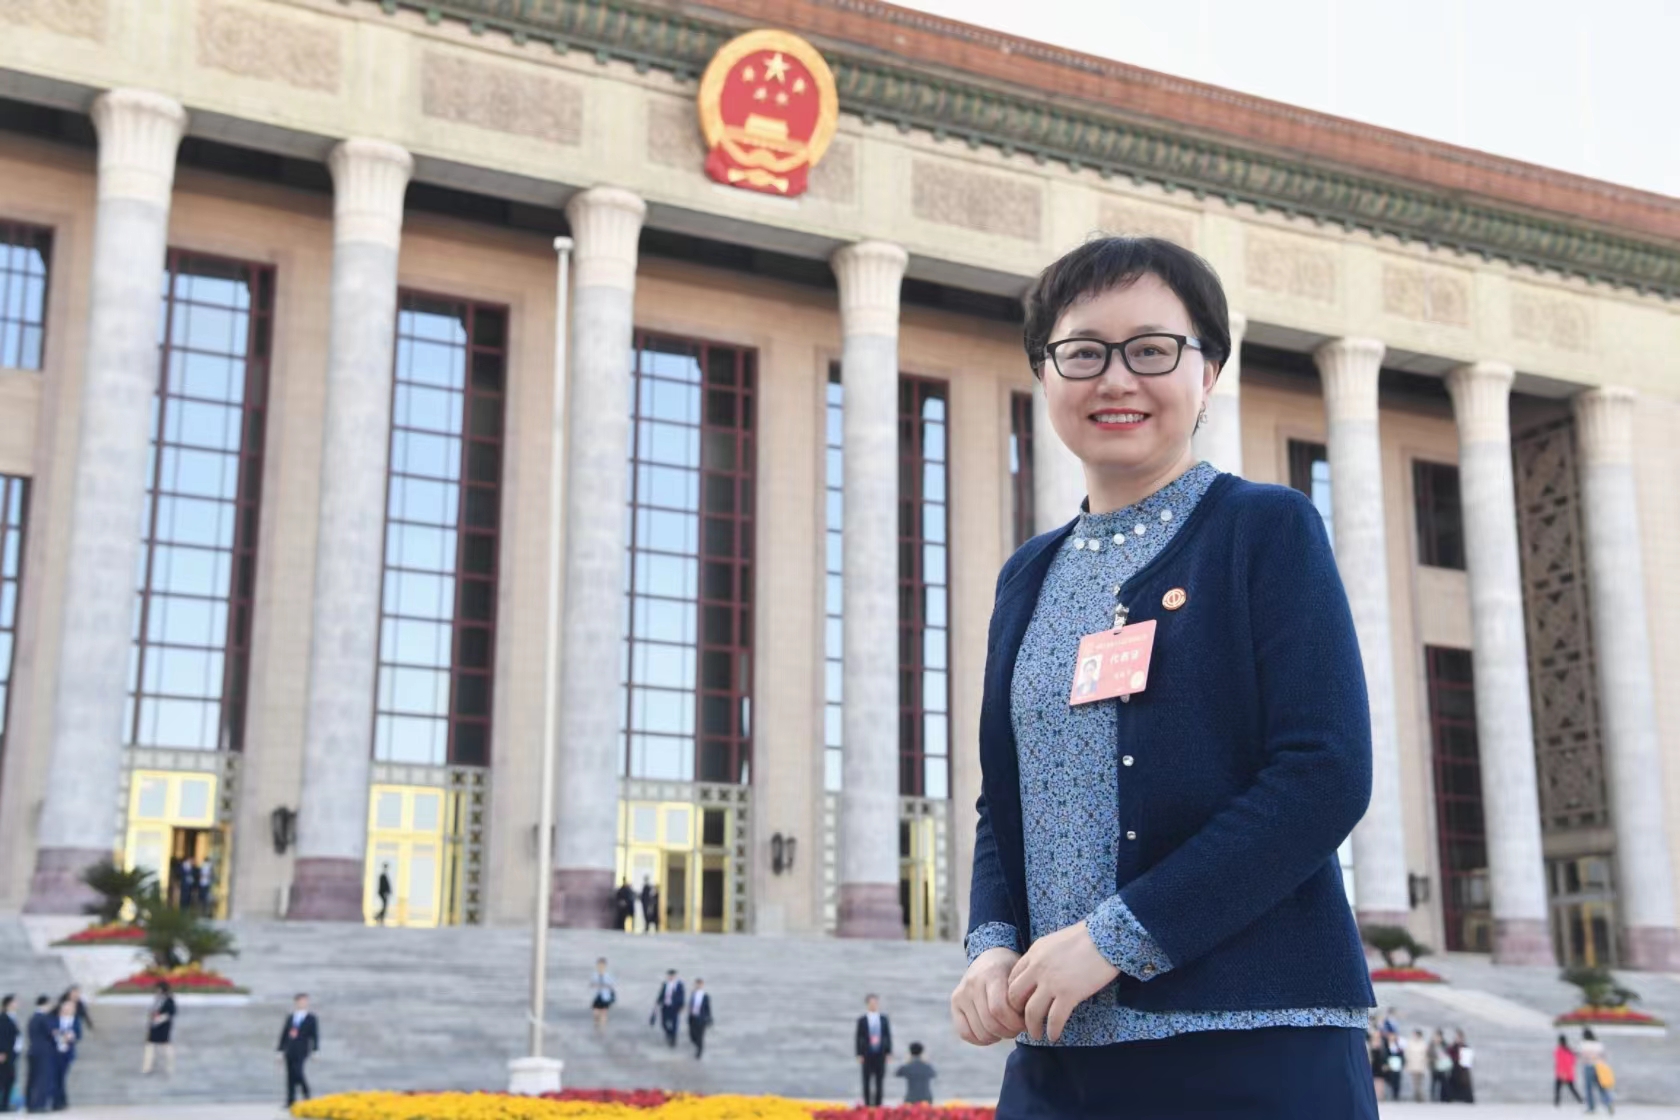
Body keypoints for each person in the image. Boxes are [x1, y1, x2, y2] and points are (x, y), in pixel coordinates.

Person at [949, 235, 1378, 1119]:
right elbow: (1006, 801)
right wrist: (991, 944)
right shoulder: (1028, 576)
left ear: (1208, 372)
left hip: (1249, 1044)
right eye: (1083, 353)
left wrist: (1118, 938)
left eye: (1151, 350)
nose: (1116, 380)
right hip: (1059, 1052)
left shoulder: (1265, 529)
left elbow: (1324, 774)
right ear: (1044, 373)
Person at [278, 993, 319, 1107]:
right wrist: (280, 1050)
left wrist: (315, 1050)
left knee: (298, 1072)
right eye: (300, 1001)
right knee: (290, 1075)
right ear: (296, 1002)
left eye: (305, 1001)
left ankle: (306, 1094)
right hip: (290, 1049)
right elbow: (284, 1034)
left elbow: (315, 1035)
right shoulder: (291, 1017)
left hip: (302, 1049)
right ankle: (290, 1100)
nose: (302, 1003)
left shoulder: (311, 1018)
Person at [855, 993, 892, 1107]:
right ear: (867, 1004)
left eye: (875, 1002)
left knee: (879, 1080)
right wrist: (859, 1054)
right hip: (867, 1053)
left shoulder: (884, 1019)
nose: (874, 1005)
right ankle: (867, 1104)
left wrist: (888, 1052)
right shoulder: (862, 1020)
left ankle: (878, 1104)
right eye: (871, 1003)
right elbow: (858, 1037)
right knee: (866, 1080)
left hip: (880, 1053)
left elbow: (887, 1036)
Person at [48, 997, 80, 1111]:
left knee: (61, 1077)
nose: (68, 1009)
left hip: (67, 1052)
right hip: (55, 1052)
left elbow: (78, 1035)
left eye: (70, 1007)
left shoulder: (75, 1021)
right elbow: (51, 1032)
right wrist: (58, 1034)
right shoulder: (55, 1019)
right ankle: (57, 1101)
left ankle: (61, 1100)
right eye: (66, 1007)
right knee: (55, 1077)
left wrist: (71, 1036)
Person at [141, 981, 175, 1077]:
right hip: (154, 1026)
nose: (156, 991)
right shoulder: (157, 999)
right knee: (150, 1046)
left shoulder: (169, 1000)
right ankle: (147, 1067)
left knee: (166, 1046)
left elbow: (171, 1013)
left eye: (158, 989)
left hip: (163, 1026)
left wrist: (159, 1018)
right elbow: (153, 1011)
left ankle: (169, 1066)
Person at [23, 997, 51, 1114]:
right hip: (42, 1052)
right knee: (41, 1078)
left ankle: (29, 1104)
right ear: (45, 1004)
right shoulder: (43, 1018)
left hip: (32, 1050)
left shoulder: (32, 1018)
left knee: (32, 1078)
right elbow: (50, 1033)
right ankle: (38, 1104)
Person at [1580, 1027, 1614, 1114]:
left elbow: (1582, 1056)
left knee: (1589, 1089)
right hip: (1599, 1067)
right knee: (1602, 1087)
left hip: (1589, 1066)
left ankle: (1591, 1107)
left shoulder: (1584, 1044)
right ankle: (1608, 1103)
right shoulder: (1598, 1044)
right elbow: (1604, 1056)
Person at [895, 1041, 937, 1106]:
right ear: (922, 1053)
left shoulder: (907, 1067)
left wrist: (906, 1061)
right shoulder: (927, 1067)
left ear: (910, 1053)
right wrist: (926, 1061)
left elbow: (897, 1073)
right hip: (926, 1099)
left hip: (911, 1099)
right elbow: (934, 1074)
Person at [651, 970, 684, 1048]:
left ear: (675, 976)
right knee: (663, 1023)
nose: (671, 977)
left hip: (674, 1007)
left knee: (674, 1023)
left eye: (672, 976)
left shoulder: (679, 985)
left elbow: (681, 996)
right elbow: (661, 994)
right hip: (665, 1006)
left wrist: (681, 1006)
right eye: (669, 976)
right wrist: (658, 1002)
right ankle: (669, 1033)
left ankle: (673, 1039)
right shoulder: (665, 984)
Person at [0, 995, 18, 1113]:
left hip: (11, 1053)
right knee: (4, 1079)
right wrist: (1, 1051)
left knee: (9, 1079)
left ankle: (5, 1104)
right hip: (4, 1054)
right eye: (15, 1002)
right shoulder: (3, 1018)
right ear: (9, 1004)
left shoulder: (12, 1017)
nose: (17, 1004)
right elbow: (1, 1036)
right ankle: (3, 1104)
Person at [686, 979, 713, 1059]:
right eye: (696, 984)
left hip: (701, 1019)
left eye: (699, 984)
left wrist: (709, 1018)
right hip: (693, 1017)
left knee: (700, 1036)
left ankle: (699, 1052)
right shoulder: (693, 994)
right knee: (692, 1035)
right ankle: (697, 1045)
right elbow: (690, 1005)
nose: (698, 986)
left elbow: (708, 1008)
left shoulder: (705, 996)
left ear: (702, 985)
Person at [1554, 1032, 1583, 1106]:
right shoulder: (1570, 1050)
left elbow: (1559, 1062)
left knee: (1558, 1089)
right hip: (1569, 1073)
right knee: (1572, 1089)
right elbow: (1573, 1062)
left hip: (1561, 1073)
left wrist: (1562, 1072)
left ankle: (1556, 1103)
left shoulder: (1559, 1050)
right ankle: (1580, 1100)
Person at [589, 958, 616, 1033]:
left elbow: (612, 985)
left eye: (602, 965)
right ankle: (596, 1027)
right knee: (595, 1013)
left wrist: (603, 986)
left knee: (604, 1013)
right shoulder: (595, 975)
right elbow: (591, 984)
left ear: (605, 966)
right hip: (598, 995)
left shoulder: (608, 975)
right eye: (599, 965)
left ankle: (603, 1029)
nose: (600, 967)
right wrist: (595, 985)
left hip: (606, 996)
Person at [1448, 1029, 1475, 1104]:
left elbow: (1468, 1061)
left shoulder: (1465, 1047)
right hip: (1454, 1069)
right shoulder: (1452, 1047)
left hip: (1463, 1070)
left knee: (1465, 1085)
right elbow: (1449, 1055)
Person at [1403, 1027, 1429, 1103]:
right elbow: (1407, 1054)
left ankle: (1419, 1097)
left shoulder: (1423, 1043)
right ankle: (1418, 1097)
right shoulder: (1410, 1043)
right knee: (1415, 1082)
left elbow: (1425, 1055)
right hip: (1413, 1065)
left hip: (1421, 1065)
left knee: (1419, 1083)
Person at [1429, 1028, 1452, 1102]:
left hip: (1443, 1067)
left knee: (1444, 1083)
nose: (1437, 1038)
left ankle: (1444, 1098)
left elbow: (1448, 1054)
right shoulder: (1431, 1045)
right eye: (1436, 1036)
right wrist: (1434, 1059)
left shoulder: (1445, 1045)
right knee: (1433, 1083)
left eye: (1439, 1037)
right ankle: (1433, 1098)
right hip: (1434, 1066)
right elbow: (1429, 1055)